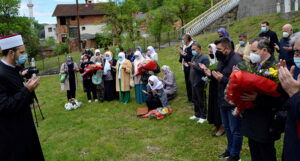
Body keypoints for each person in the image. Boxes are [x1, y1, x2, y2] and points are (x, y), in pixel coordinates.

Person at [241, 37, 287, 161]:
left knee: (266, 154)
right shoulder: (254, 66)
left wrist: (258, 98)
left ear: (264, 50)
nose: (251, 54)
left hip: (266, 122)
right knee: (255, 153)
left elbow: (281, 98)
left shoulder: (275, 68)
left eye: (254, 51)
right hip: (252, 120)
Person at [0, 34, 44, 161]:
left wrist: (29, 89)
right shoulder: (1, 73)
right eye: (21, 52)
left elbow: (19, 96)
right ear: (11, 53)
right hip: (12, 133)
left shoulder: (15, 69)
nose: (24, 55)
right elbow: (4, 105)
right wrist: (27, 90)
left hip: (25, 126)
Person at [200, 38, 243, 161]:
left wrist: (222, 79)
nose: (217, 51)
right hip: (222, 100)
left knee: (236, 130)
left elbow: (241, 84)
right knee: (227, 127)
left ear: (227, 49)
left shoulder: (237, 61)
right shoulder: (222, 60)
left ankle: (235, 155)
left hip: (233, 102)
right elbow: (219, 75)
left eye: (219, 49)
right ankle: (229, 150)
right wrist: (210, 74)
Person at [278, 32, 300, 161]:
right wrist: (284, 85)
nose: (296, 57)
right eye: (296, 52)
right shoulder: (297, 71)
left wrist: (294, 93)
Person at [188, 43, 209, 124]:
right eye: (192, 49)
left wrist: (195, 66)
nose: (192, 51)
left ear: (199, 49)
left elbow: (205, 71)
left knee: (201, 99)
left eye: (194, 49)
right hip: (193, 81)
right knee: (195, 99)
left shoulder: (204, 58)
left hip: (200, 82)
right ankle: (197, 114)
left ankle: (204, 116)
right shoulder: (194, 57)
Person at [206, 44, 224, 137]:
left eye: (211, 51)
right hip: (213, 85)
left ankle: (221, 126)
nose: (210, 53)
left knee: (218, 105)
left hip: (219, 85)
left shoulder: (221, 61)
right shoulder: (212, 60)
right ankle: (215, 123)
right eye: (209, 52)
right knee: (213, 104)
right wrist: (208, 73)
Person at [179, 34, 194, 102]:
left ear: (187, 39)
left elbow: (191, 57)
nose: (183, 41)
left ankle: (193, 98)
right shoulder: (185, 46)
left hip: (190, 67)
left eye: (184, 39)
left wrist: (183, 54)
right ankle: (189, 98)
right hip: (185, 66)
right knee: (187, 82)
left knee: (191, 82)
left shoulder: (192, 46)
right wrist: (181, 52)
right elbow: (183, 56)